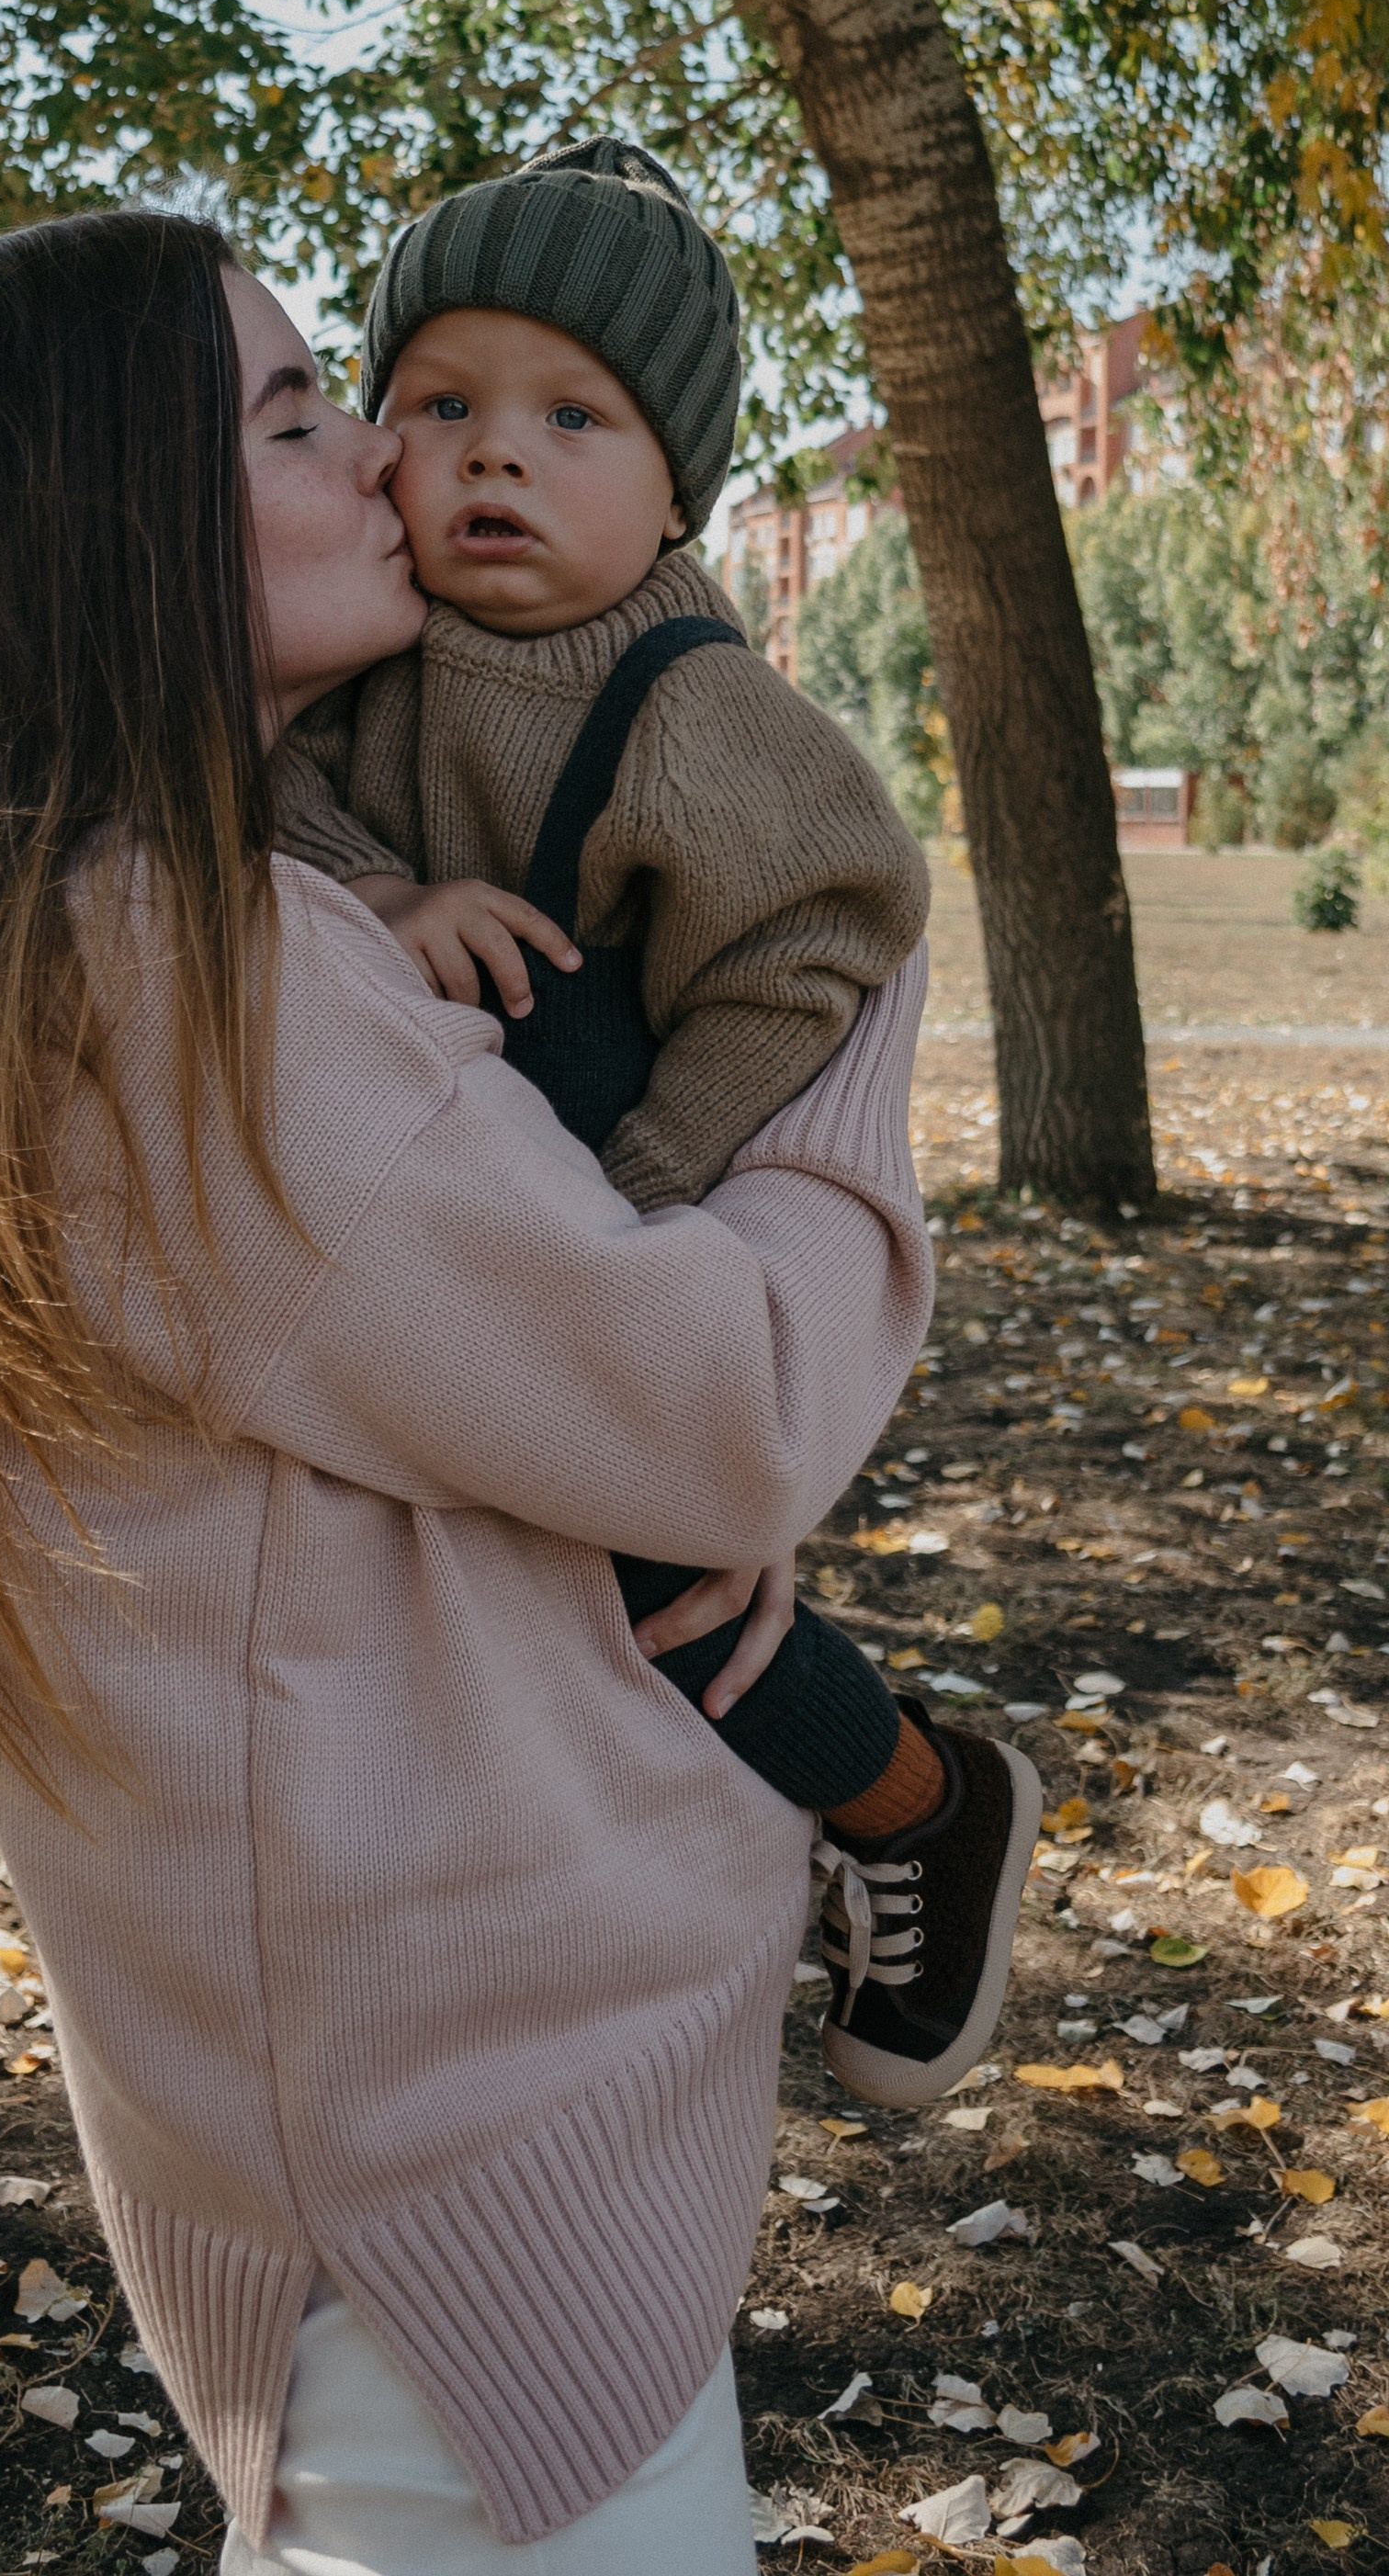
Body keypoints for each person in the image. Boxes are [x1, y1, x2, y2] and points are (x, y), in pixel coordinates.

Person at [0, 206, 932, 2573]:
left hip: (416, 2175)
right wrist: (858, 1035)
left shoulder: (146, 922)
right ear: (120, 519)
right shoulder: (191, 983)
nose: (383, 468)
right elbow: (722, 1407)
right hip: (459, 2220)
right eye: (296, 414)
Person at [275, 140, 1037, 2101]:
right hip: (463, 1213)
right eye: (436, 408)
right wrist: (377, 897)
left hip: (619, 1194)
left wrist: (659, 1196)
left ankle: (912, 1803)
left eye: (569, 417)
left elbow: (831, 912)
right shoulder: (373, 652)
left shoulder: (691, 700)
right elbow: (240, 796)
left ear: (680, 482)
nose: (492, 459)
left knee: (673, 1591)